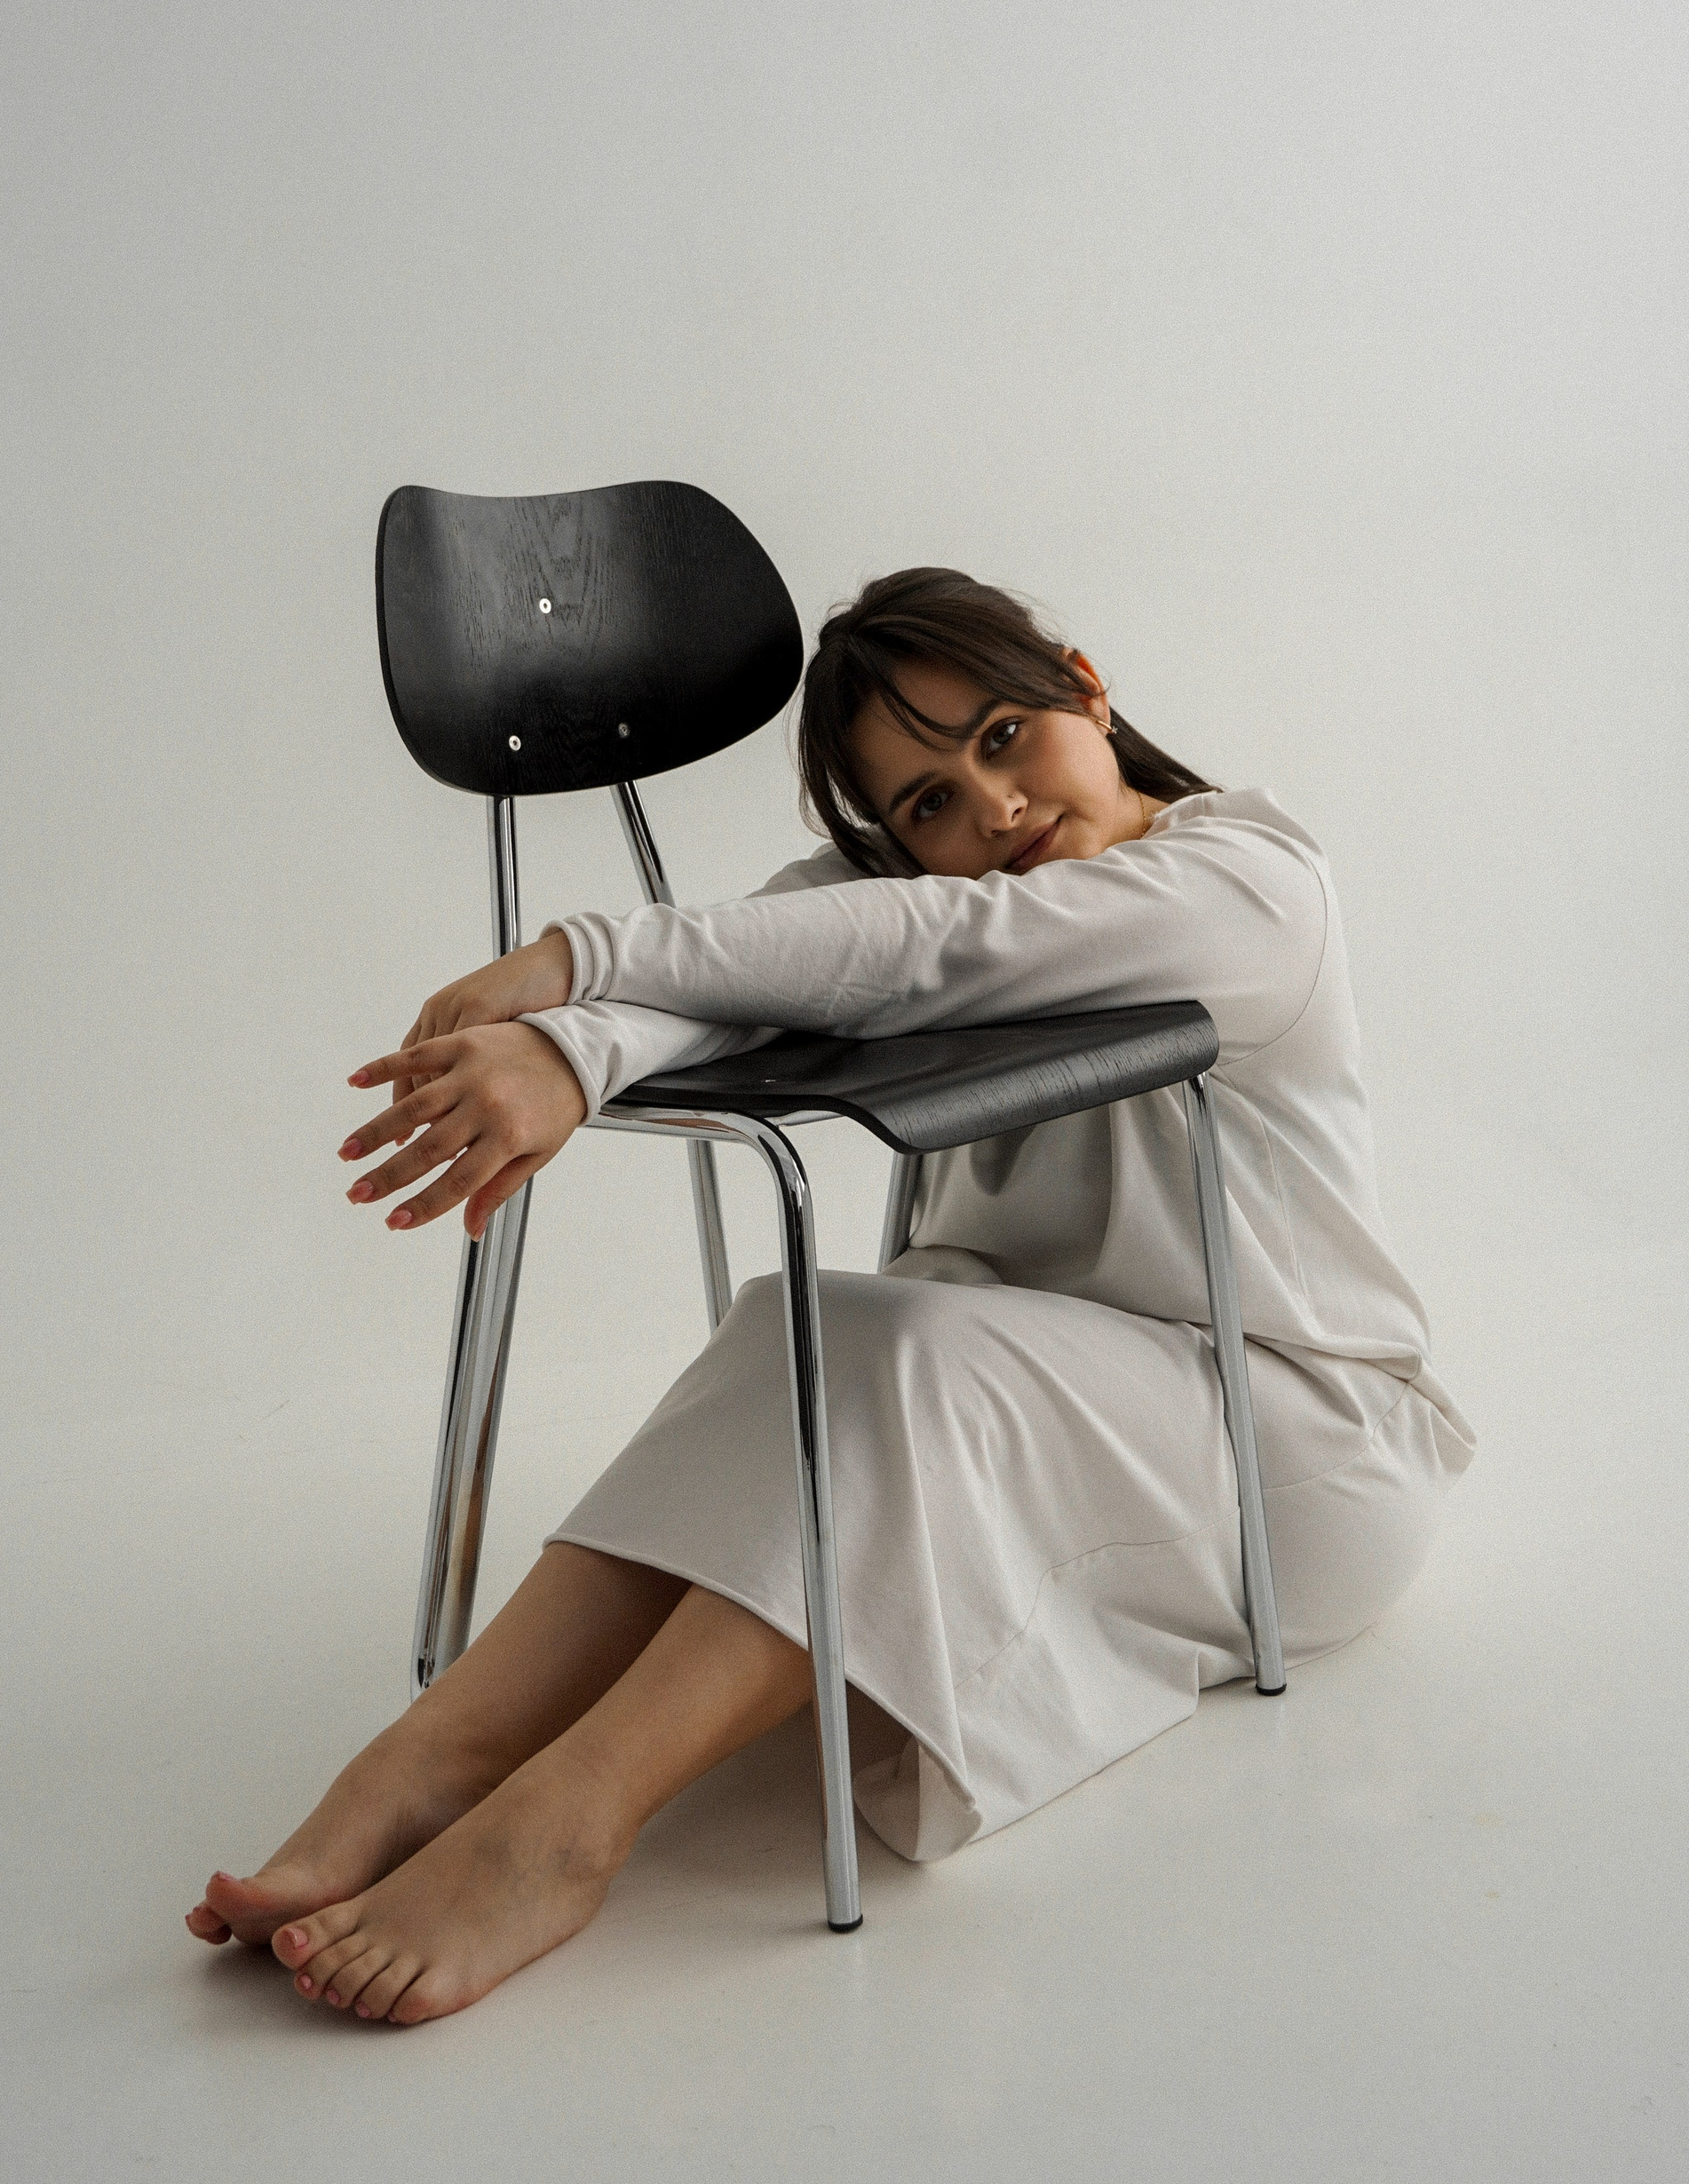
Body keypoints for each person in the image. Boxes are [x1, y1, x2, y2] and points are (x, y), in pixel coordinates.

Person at [185, 566, 1474, 2024]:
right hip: (1059, 1396)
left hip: (1297, 1446)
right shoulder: (930, 893)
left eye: (1003, 736)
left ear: (1086, 687)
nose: (991, 808)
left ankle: (564, 1824)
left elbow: (924, 955)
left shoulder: (1250, 886)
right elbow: (773, 964)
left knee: (909, 1346)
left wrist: (576, 959)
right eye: (928, 803)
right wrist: (574, 1053)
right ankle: (437, 1756)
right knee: (795, 1328)